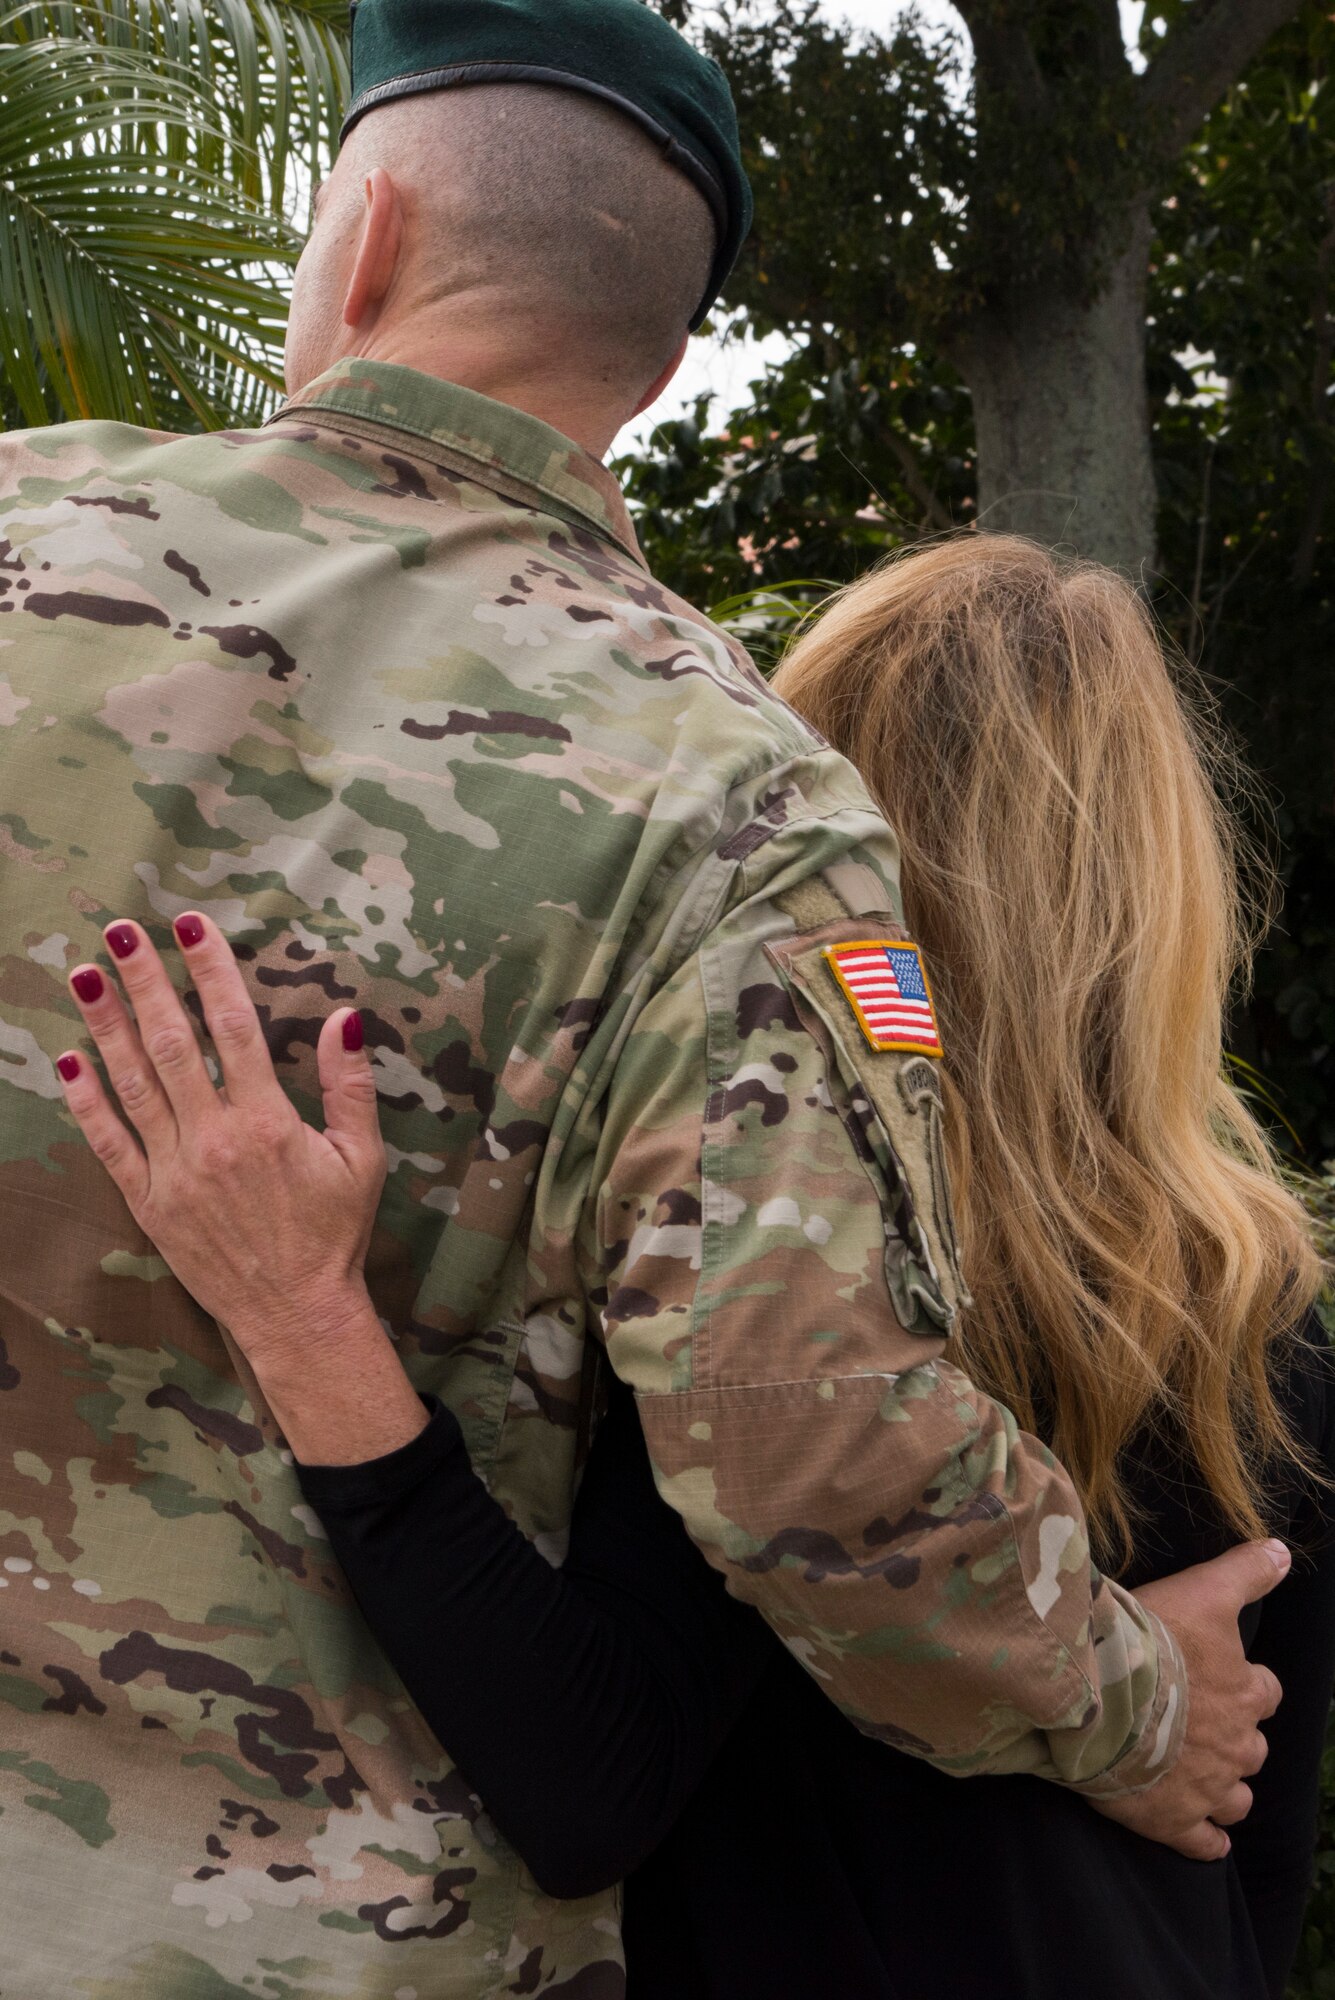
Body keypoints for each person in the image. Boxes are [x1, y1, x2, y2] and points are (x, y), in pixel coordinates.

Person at [0, 0, 1280, 1984]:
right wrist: (1126, 1696)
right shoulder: (743, 814)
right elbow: (804, 1439)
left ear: (362, 234)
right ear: (666, 369)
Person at [57, 544, 1328, 1999]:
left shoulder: (766, 1253)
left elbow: (587, 1773)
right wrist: (1132, 1700)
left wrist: (306, 1320)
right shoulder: (1263, 1317)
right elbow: (1252, 1864)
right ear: (1160, 895)